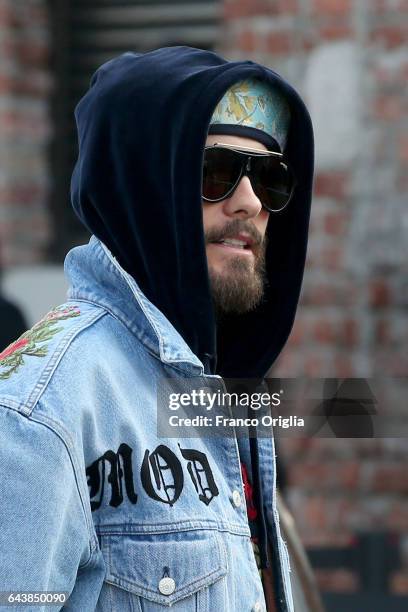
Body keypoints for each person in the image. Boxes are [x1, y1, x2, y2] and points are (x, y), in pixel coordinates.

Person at [0, 46, 314, 611]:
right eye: (215, 172)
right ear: (142, 189)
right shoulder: (37, 414)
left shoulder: (227, 393)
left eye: (269, 177)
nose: (249, 202)